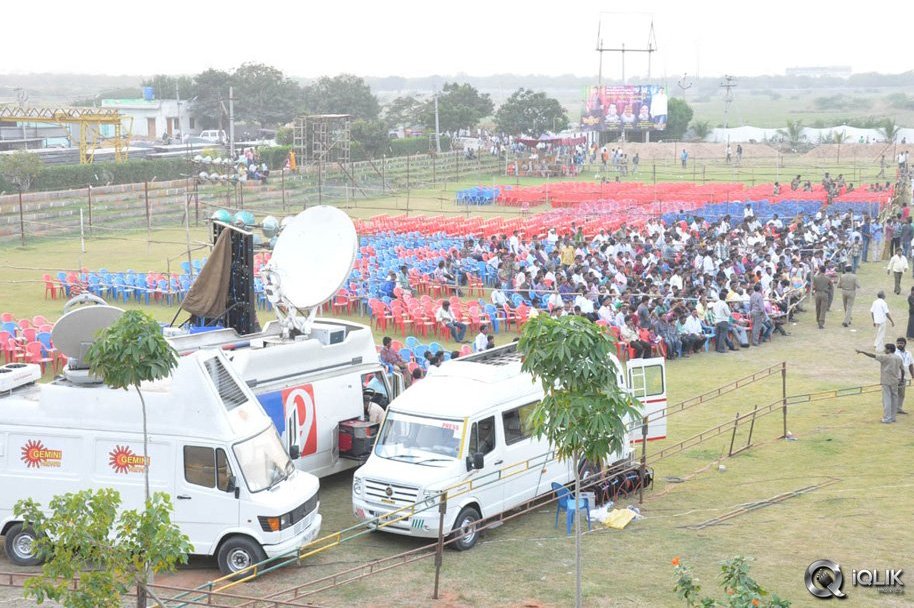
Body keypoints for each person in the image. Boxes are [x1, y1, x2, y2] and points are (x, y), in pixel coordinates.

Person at [855, 345, 901, 423]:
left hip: (886, 380)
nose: (884, 350)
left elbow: (873, 355)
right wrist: (902, 379)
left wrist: (862, 352)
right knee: (894, 398)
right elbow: (902, 369)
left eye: (885, 348)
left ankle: (887, 418)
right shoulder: (898, 358)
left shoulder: (886, 357)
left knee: (887, 399)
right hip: (895, 381)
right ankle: (893, 418)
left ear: (889, 350)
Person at [895, 337, 913, 415]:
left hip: (904, 376)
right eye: (898, 343)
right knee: (894, 393)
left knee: (901, 394)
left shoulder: (909, 353)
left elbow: (911, 365)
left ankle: (899, 408)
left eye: (901, 343)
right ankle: (892, 409)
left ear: (905, 344)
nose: (899, 344)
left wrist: (913, 375)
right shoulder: (894, 352)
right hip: (895, 376)